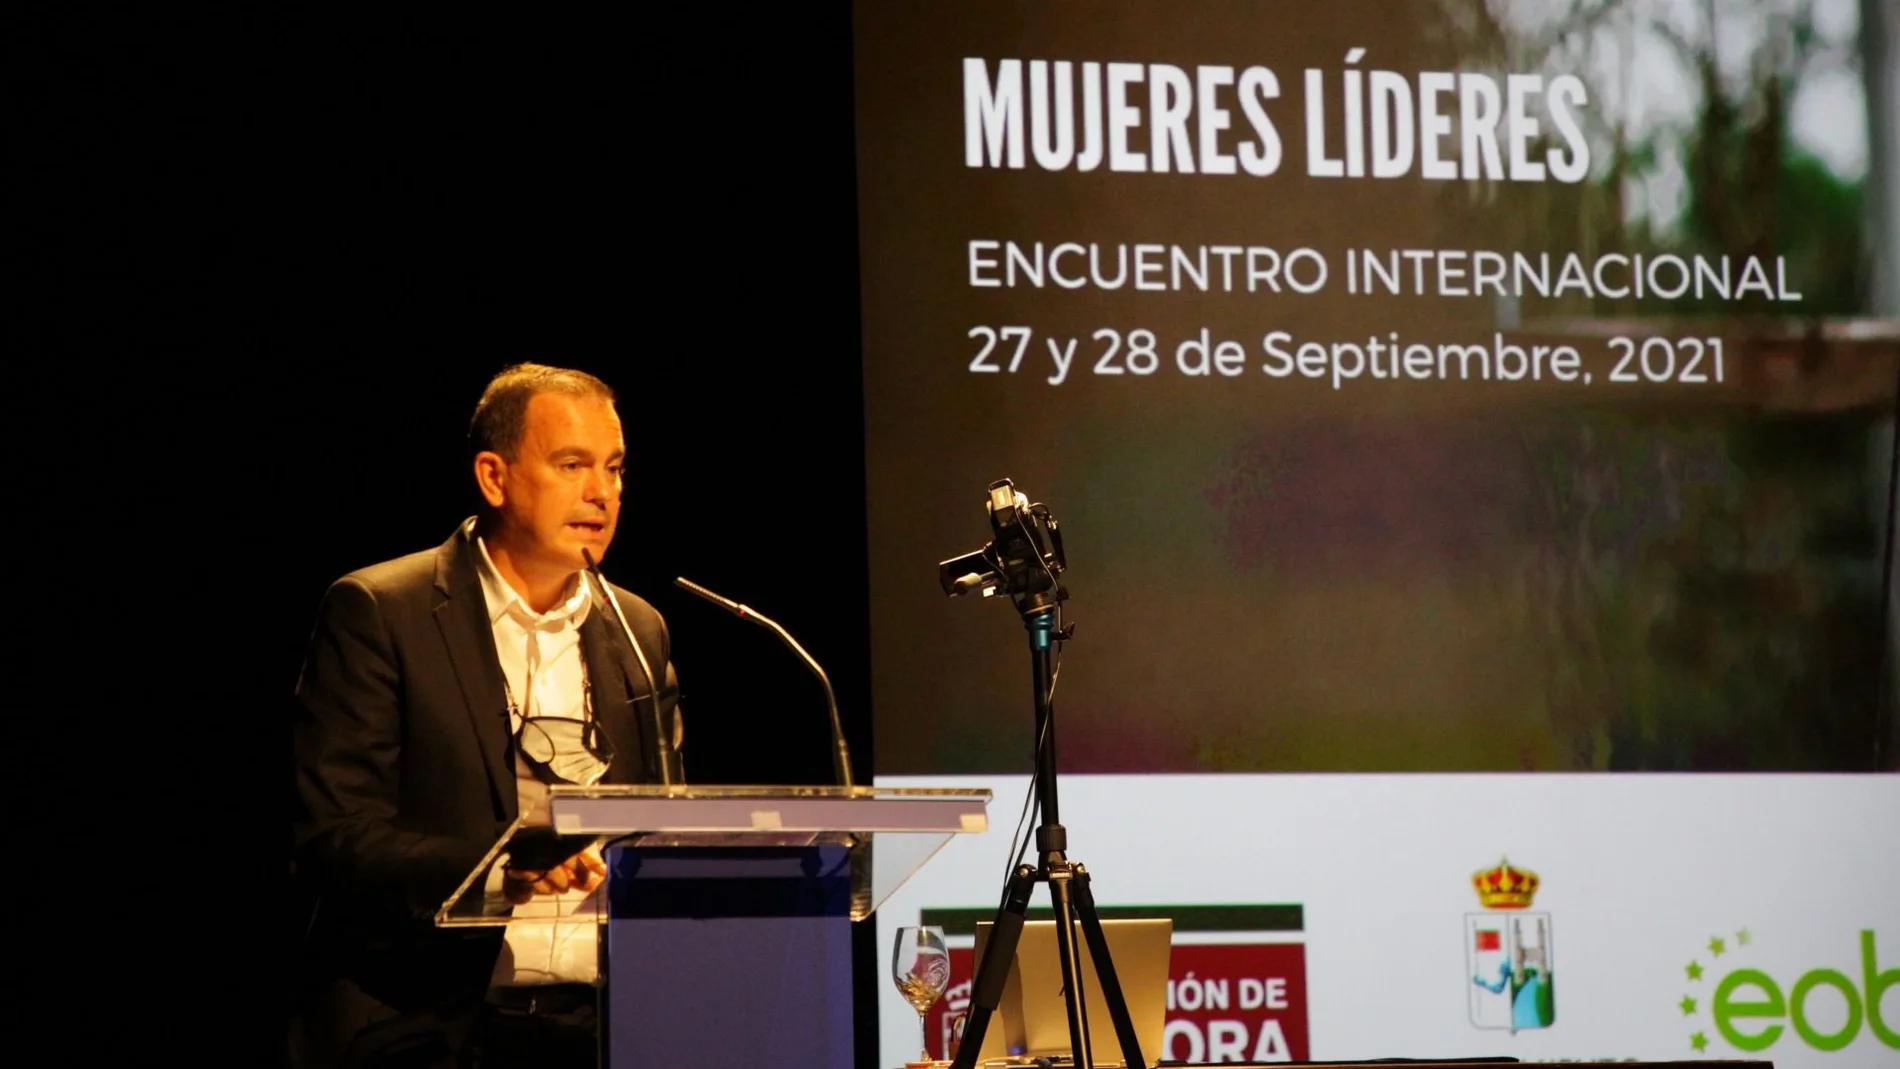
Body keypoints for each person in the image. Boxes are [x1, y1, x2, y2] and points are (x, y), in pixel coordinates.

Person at [291, 363, 683, 1068]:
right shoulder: (383, 612)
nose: (602, 492)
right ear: (494, 477)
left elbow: (664, 825)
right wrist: (505, 864)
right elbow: (335, 838)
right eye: (572, 464)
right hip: (427, 1024)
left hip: (604, 1027)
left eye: (615, 468)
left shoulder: (638, 628)